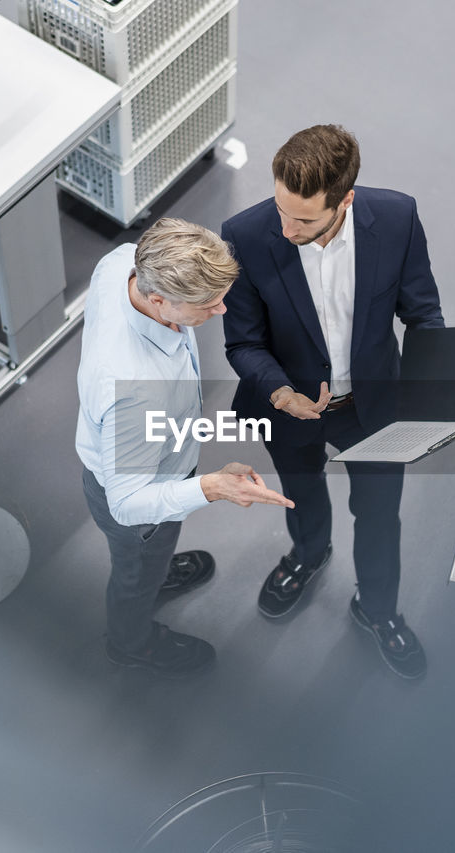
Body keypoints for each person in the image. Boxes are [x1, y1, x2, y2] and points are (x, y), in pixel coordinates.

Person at [221, 125, 445, 679]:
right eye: (280, 210)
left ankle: (377, 609)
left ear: (344, 201)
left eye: (303, 219)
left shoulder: (395, 219)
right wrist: (279, 392)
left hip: (372, 406)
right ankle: (309, 552)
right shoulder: (245, 235)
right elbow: (243, 342)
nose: (286, 227)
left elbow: (423, 316)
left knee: (378, 514)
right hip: (287, 406)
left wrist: (433, 399)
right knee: (299, 492)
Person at [76, 218, 293, 677]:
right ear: (158, 300)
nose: (221, 310)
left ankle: (154, 574)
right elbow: (129, 505)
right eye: (208, 304)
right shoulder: (134, 387)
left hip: (146, 451)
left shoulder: (121, 265)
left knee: (147, 561)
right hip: (141, 501)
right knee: (136, 569)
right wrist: (211, 487)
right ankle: (130, 640)